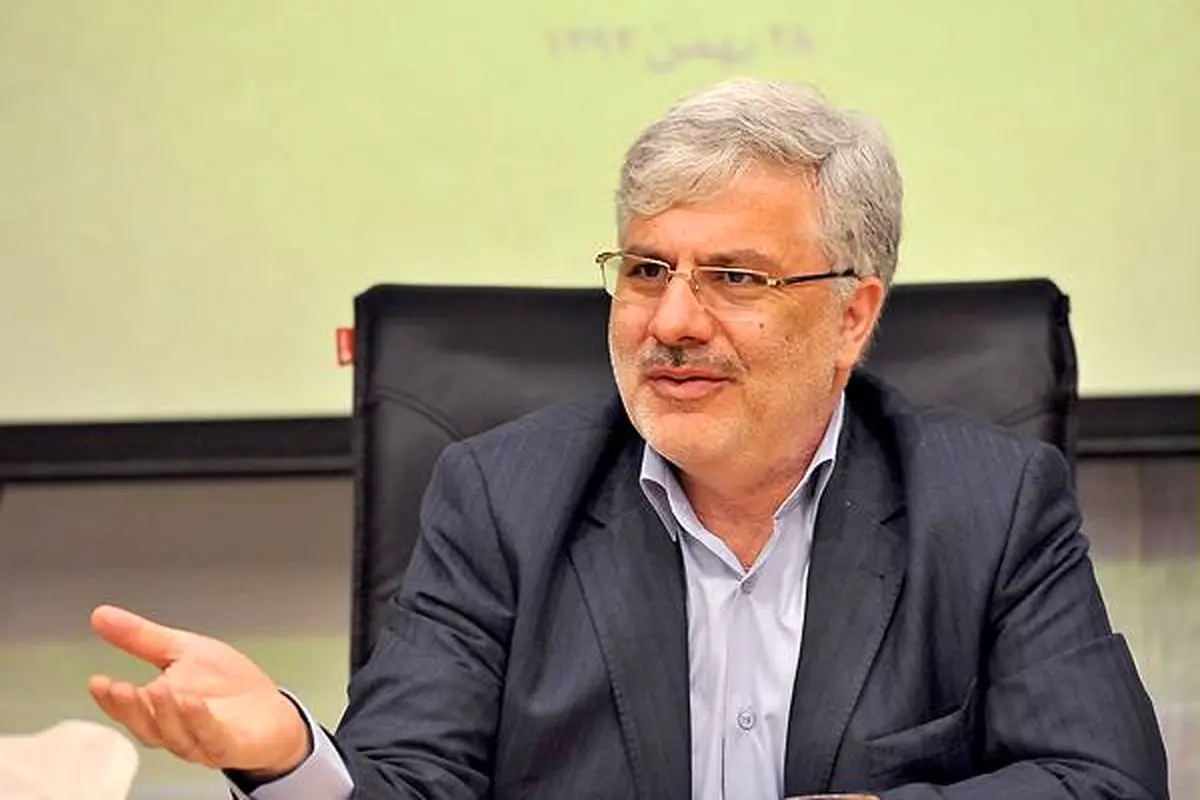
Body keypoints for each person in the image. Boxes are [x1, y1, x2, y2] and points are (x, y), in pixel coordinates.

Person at [86, 78, 1169, 799]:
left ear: (853, 316)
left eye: (734, 277)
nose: (673, 320)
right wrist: (289, 752)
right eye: (648, 270)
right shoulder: (503, 499)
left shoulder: (987, 502)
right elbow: (405, 782)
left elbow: (1106, 779)